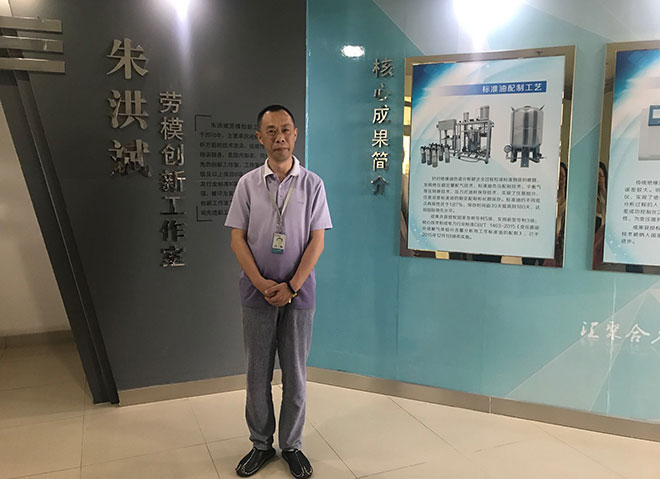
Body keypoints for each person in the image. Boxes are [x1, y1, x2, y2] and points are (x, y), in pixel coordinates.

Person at [225, 104, 332, 478]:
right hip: (256, 294)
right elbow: (237, 239)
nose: (279, 137)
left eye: (285, 129)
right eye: (270, 131)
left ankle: (292, 446)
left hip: (299, 295)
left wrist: (291, 286)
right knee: (257, 375)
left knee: (296, 375)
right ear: (260, 137)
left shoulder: (313, 184)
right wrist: (261, 283)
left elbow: (317, 241)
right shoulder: (247, 184)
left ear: (295, 134)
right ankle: (260, 444)